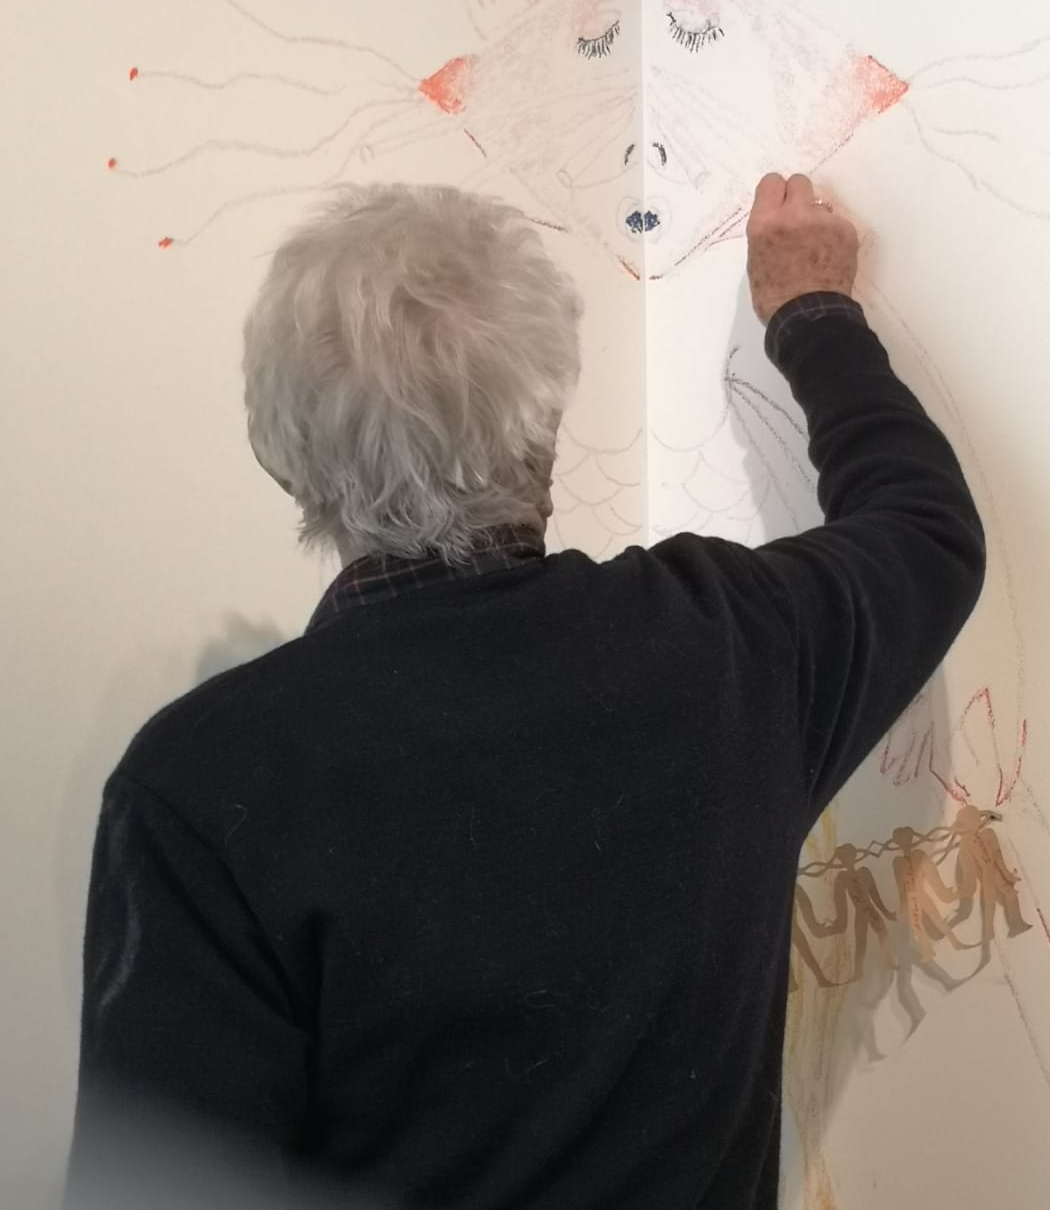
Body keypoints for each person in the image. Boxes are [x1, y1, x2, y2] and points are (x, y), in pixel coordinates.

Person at [66, 174, 985, 1210]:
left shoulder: (203, 782)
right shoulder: (732, 643)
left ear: (284, 462)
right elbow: (927, 531)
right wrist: (814, 315)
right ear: (545, 425)